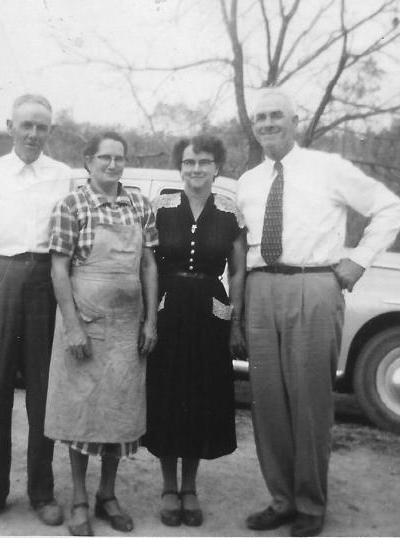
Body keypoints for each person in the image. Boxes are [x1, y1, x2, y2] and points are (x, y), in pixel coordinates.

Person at [237, 87, 400, 537]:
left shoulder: (328, 168)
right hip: (261, 289)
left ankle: (311, 504)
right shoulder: (248, 182)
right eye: (261, 118)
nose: (268, 124)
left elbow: (391, 208)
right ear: (253, 126)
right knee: (267, 402)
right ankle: (281, 500)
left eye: (277, 116)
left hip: (314, 285)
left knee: (310, 401)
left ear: (295, 121)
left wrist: (359, 259)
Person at [0, 94, 72, 528]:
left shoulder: (63, 176)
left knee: (44, 394)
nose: (33, 134)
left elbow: (71, 245)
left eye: (42, 127)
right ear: (10, 126)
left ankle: (42, 492)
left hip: (44, 283)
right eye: (26, 125)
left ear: (50, 132)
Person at [44, 131, 159, 536]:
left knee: (119, 414)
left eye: (120, 158)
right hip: (86, 326)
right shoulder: (71, 206)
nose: (113, 165)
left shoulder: (140, 205)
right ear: (88, 161)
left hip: (129, 328)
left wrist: (150, 322)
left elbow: (147, 266)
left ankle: (107, 496)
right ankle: (78, 498)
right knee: (82, 413)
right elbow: (59, 269)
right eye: (105, 157)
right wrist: (72, 326)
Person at [143, 135, 247, 528]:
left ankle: (190, 488)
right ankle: (168, 487)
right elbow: (147, 264)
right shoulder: (160, 208)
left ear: (217, 167)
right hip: (169, 309)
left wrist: (235, 319)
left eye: (204, 162)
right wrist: (148, 315)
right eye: (189, 162)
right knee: (169, 396)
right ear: (180, 167)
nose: (196, 169)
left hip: (210, 312)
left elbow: (237, 270)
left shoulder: (230, 212)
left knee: (200, 397)